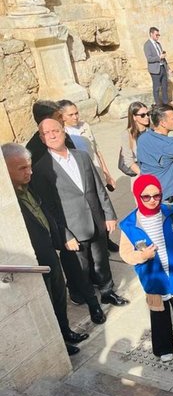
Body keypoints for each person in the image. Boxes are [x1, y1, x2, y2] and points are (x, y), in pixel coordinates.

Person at [31, 119, 127, 322]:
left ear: (64, 132)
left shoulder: (82, 157)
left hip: (96, 220)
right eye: (47, 133)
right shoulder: (41, 169)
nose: (52, 135)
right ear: (41, 138)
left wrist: (109, 214)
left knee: (101, 261)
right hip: (73, 230)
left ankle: (108, 292)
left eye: (56, 130)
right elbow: (48, 208)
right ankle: (93, 305)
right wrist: (65, 235)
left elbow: (98, 188)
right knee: (81, 270)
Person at [3, 143, 89, 356]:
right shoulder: (8, 199)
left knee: (59, 296)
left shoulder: (28, 186)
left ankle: (65, 331)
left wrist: (61, 237)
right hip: (34, 260)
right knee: (48, 302)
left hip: (50, 253)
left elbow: (46, 213)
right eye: (22, 168)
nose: (29, 172)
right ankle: (58, 342)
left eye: (29, 166)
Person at [119, 174, 173, 362]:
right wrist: (142, 256)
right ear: (137, 196)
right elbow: (125, 253)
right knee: (159, 315)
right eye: (146, 197)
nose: (153, 200)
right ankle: (164, 349)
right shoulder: (129, 225)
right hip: (153, 279)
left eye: (157, 195)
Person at [59, 99, 119, 252]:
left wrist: (106, 173)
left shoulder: (85, 127)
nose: (75, 117)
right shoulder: (61, 133)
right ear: (62, 116)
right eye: (71, 115)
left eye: (76, 113)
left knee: (103, 207)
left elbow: (97, 151)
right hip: (80, 177)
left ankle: (106, 240)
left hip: (95, 172)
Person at [25, 100, 76, 165]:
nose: (63, 119)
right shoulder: (33, 150)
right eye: (59, 116)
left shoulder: (64, 136)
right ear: (47, 120)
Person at [118, 101, 149, 179]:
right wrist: (145, 176)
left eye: (148, 114)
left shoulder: (152, 129)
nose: (147, 117)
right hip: (141, 172)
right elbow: (129, 160)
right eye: (142, 115)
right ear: (134, 117)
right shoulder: (127, 134)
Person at [143, 27, 172, 106]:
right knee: (156, 88)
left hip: (162, 67)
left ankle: (166, 103)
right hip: (155, 70)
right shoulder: (147, 45)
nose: (158, 36)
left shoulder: (158, 44)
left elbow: (163, 58)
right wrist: (159, 57)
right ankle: (158, 104)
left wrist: (168, 69)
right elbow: (149, 59)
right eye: (156, 35)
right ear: (151, 34)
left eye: (159, 35)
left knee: (164, 86)